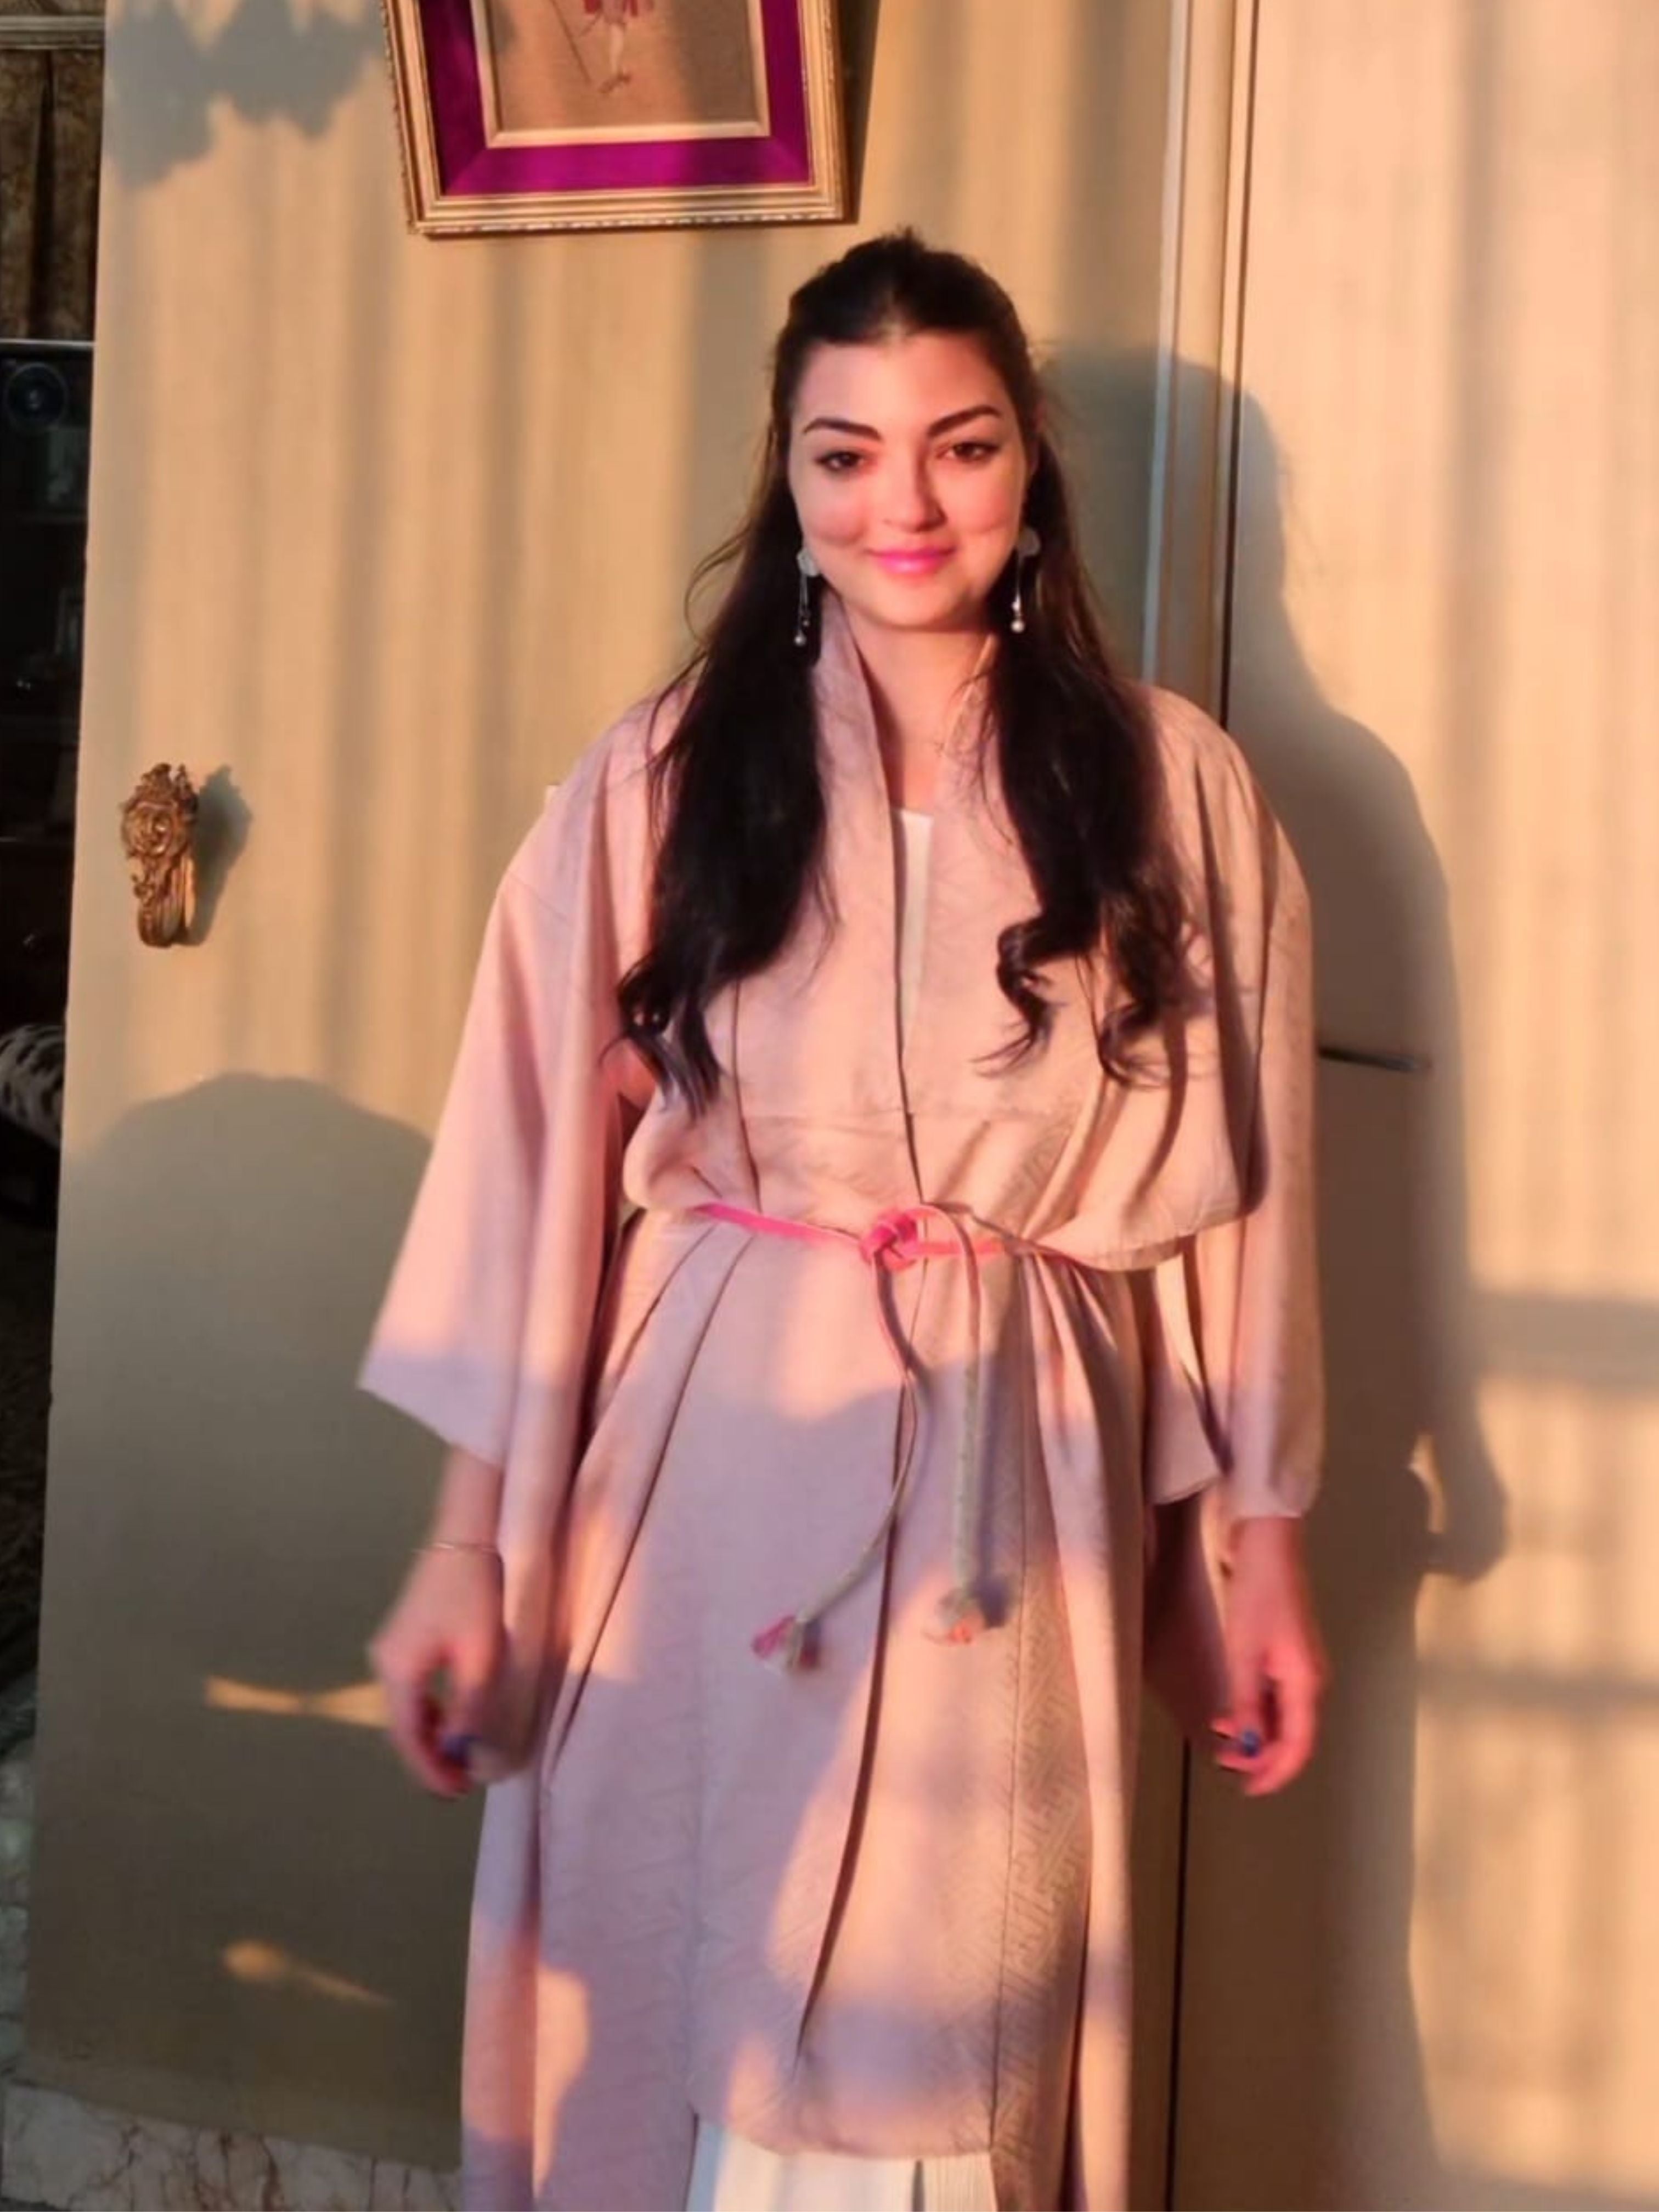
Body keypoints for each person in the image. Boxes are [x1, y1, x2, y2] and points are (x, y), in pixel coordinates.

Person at [362, 230, 1327, 2212]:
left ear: (1029, 476)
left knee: (955, 2033)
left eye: (959, 449)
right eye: (845, 456)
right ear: (787, 493)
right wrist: (467, 1548)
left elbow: (1249, 1203)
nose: (904, 505)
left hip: (1014, 1471)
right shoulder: (660, 780)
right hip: (710, 1454)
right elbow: (526, 1160)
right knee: (696, 1983)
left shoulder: (1174, 792)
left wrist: (1261, 1544)